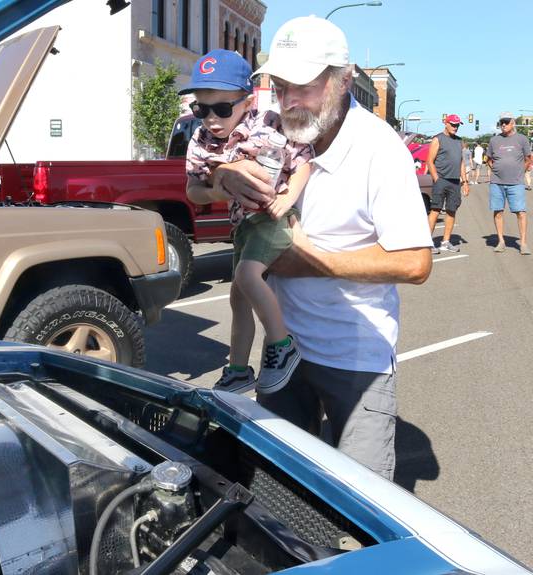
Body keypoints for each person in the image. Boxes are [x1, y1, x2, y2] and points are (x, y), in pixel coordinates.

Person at [210, 16, 432, 480]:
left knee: (364, 503)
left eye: (305, 86)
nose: (289, 100)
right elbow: (209, 173)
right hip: (284, 354)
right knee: (283, 491)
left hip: (356, 359)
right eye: (281, 85)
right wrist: (223, 176)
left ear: (343, 79)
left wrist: (311, 264)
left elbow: (414, 262)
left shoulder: (379, 149)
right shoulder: (274, 128)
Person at [182, 49, 311, 395]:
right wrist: (216, 189)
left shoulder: (270, 124)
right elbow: (193, 189)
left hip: (272, 218)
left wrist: (288, 197)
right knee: (238, 298)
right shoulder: (200, 140)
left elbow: (303, 162)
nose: (211, 119)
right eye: (201, 108)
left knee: (246, 275)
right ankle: (238, 371)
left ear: (248, 101)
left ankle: (283, 347)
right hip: (242, 225)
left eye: (222, 109)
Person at [487, 113, 532, 254]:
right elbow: (489, 159)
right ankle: (501, 241)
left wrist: (520, 172)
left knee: (521, 213)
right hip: (497, 183)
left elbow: (529, 158)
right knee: (498, 211)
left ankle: (523, 243)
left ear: (513, 123)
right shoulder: (494, 140)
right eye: (501, 122)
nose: (504, 125)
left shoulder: (522, 139)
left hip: (516, 183)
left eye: (506, 122)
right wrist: (495, 169)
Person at [426, 115, 469, 254]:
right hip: (441, 180)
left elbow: (461, 162)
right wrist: (437, 179)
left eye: (457, 125)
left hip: (455, 182)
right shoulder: (438, 139)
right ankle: (427, 243)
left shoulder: (459, 141)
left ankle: (445, 242)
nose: (455, 127)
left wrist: (465, 181)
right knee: (435, 210)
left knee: (452, 211)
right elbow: (430, 161)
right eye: (452, 124)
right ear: (446, 123)